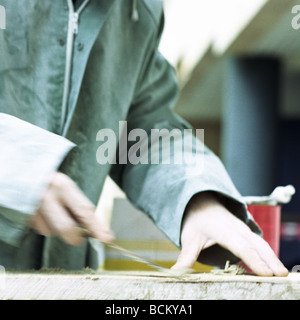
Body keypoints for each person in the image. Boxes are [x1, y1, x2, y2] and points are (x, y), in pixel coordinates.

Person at [0, 0, 288, 276]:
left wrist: (197, 198)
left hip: (64, 273)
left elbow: (144, 133)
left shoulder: (139, 11)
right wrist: (18, 165)